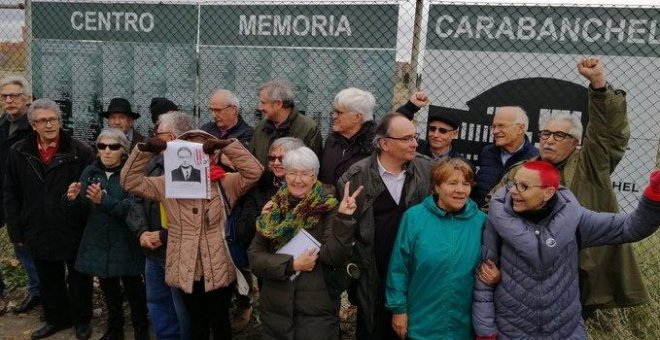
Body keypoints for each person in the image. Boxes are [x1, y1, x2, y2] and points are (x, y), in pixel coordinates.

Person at [495, 58, 647, 316]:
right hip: (532, 268)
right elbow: (493, 206)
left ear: (576, 142)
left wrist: (598, 86)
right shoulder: (522, 170)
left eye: (559, 136)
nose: (549, 141)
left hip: (581, 266)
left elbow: (609, 133)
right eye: (545, 134)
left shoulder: (591, 163)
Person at [472, 161, 660, 339]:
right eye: (514, 184)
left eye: (524, 187)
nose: (513, 191)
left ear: (548, 193)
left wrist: (655, 192)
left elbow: (631, 227)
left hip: (565, 332)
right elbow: (483, 281)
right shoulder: (497, 221)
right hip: (511, 332)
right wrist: (486, 332)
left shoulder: (575, 220)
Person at [121, 129, 263, 339]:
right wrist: (144, 151)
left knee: (220, 320)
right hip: (185, 264)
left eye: (200, 151)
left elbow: (254, 172)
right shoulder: (166, 183)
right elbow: (129, 182)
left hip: (218, 264)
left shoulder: (224, 182)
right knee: (196, 322)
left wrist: (226, 146)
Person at [248, 146, 364, 339]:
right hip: (276, 311)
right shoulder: (274, 208)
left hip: (316, 311)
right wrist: (292, 265)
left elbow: (333, 257)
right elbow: (255, 259)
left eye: (304, 174)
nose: (297, 179)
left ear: (314, 177)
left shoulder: (328, 208)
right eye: (292, 173)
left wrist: (344, 219)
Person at [3, 98, 95, 339]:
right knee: (48, 276)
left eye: (53, 119)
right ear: (33, 125)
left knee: (79, 277)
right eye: (42, 121)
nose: (49, 125)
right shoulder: (19, 151)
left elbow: (90, 191)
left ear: (59, 121)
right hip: (36, 224)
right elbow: (11, 192)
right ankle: (57, 318)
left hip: (72, 225)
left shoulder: (80, 151)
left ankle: (82, 320)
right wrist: (16, 230)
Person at [337, 113, 433, 340]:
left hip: (414, 276)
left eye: (415, 136)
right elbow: (345, 229)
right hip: (373, 278)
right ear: (385, 143)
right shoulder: (355, 178)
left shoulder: (426, 170)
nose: (415, 143)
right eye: (407, 138)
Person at [385, 158, 487, 339]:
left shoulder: (481, 221)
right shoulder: (414, 217)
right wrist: (398, 309)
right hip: (421, 323)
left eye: (466, 184)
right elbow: (399, 267)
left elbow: (492, 263)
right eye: (452, 183)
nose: (460, 190)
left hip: (463, 327)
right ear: (437, 187)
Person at [64, 128, 149, 340]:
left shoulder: (132, 174)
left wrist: (104, 201)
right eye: (102, 146)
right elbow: (80, 213)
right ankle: (115, 329)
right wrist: (71, 200)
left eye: (113, 146)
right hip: (98, 241)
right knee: (109, 290)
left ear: (123, 150)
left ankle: (141, 330)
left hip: (126, 241)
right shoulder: (90, 172)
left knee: (134, 291)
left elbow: (132, 210)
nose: (107, 151)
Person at [126, 111, 192, 340]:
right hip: (152, 252)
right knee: (157, 302)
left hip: (178, 252)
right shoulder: (152, 162)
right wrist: (142, 231)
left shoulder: (192, 169)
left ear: (171, 136)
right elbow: (133, 197)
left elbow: (195, 216)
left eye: (157, 132)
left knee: (182, 308)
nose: (153, 136)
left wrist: (163, 236)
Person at [231, 136, 304, 333]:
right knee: (272, 312)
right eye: (272, 158)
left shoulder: (311, 186)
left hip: (303, 264)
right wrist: (261, 218)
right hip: (269, 262)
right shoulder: (260, 185)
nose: (276, 163)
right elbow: (243, 230)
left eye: (282, 158)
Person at [0, 75, 41, 316]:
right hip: (2, 194)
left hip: (25, 198)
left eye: (14, 95)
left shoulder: (34, 128)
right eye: (5, 96)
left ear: (27, 99)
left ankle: (39, 290)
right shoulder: (1, 126)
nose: (9, 100)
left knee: (24, 247)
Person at [473, 106, 538, 208]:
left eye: (501, 126)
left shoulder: (535, 158)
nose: (494, 131)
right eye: (494, 127)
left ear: (520, 129)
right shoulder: (487, 152)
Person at [249, 80, 323, 167]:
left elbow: (311, 167)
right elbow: (251, 161)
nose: (260, 107)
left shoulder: (308, 129)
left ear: (278, 104)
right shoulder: (260, 128)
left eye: (263, 103)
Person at [319, 87, 376, 185]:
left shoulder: (375, 146)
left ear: (357, 117)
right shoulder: (332, 140)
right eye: (334, 111)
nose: (333, 116)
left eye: (339, 112)